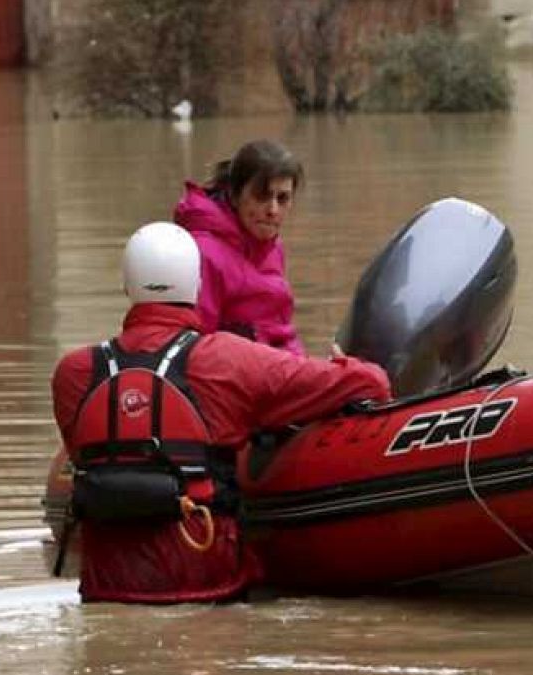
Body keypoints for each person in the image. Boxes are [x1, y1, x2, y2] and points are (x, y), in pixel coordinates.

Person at [51, 222, 392, 603]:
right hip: (205, 580)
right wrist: (348, 367)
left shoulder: (73, 375)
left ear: (127, 286)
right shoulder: (229, 360)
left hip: (106, 586)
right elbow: (371, 385)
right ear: (196, 287)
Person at [173, 139, 306, 354]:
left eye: (283, 199)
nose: (273, 210)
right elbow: (195, 348)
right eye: (261, 196)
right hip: (243, 376)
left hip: (284, 367)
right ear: (235, 195)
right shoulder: (204, 254)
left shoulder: (273, 247)